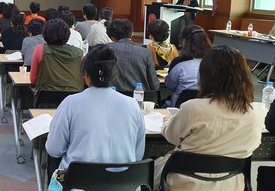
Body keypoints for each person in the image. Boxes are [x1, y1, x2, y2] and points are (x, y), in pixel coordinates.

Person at [154, 45, 264, 190]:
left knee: (150, 168)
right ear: (245, 76)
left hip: (186, 182)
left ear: (206, 75)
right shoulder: (256, 112)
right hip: (231, 184)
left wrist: (168, 122)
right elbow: (253, 145)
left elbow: (171, 137)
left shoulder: (193, 108)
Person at [45, 44, 144, 188]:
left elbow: (54, 149)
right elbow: (138, 155)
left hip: (79, 184)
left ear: (85, 74)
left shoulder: (71, 103)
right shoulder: (133, 105)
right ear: (114, 76)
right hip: (124, 185)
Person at [30, 19, 84, 93]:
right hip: (73, 97)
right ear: (67, 34)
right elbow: (84, 79)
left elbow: (33, 80)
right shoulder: (79, 53)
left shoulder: (40, 49)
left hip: (45, 99)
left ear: (44, 34)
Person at [164, 25, 212, 107]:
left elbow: (170, 86)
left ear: (184, 41)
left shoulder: (178, 62)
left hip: (179, 106)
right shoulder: (214, 61)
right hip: (207, 106)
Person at [106, 19, 159, 91]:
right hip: (140, 98)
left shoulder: (105, 49)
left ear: (112, 38)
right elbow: (154, 85)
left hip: (112, 97)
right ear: (132, 34)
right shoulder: (145, 53)